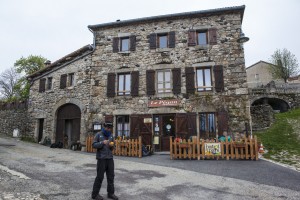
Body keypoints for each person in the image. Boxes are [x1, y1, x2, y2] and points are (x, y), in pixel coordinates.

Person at [91, 122, 118, 200]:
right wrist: (102, 143)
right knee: (99, 177)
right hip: (101, 159)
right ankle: (95, 195)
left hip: (110, 159)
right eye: (107, 128)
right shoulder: (99, 134)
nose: (109, 129)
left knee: (111, 177)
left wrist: (112, 146)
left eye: (110, 128)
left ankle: (111, 193)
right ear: (104, 127)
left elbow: (113, 147)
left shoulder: (111, 136)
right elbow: (94, 145)